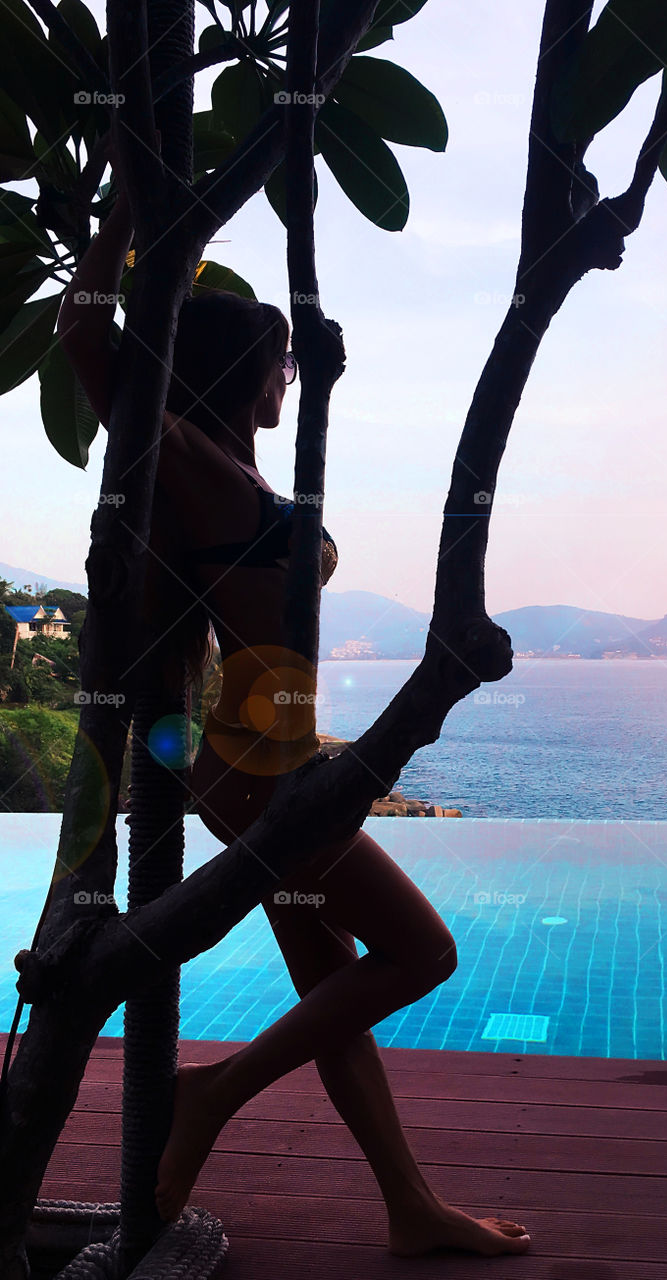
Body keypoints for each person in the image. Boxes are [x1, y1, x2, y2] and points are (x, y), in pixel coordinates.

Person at [55, 142, 531, 1259]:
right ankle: (210, 1096)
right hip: (258, 772)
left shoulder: (247, 470)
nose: (290, 384)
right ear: (240, 374)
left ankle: (408, 1200)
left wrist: (319, 372)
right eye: (277, 367)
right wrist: (128, 207)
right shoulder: (179, 452)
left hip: (261, 756)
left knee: (332, 985)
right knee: (423, 952)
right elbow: (85, 329)